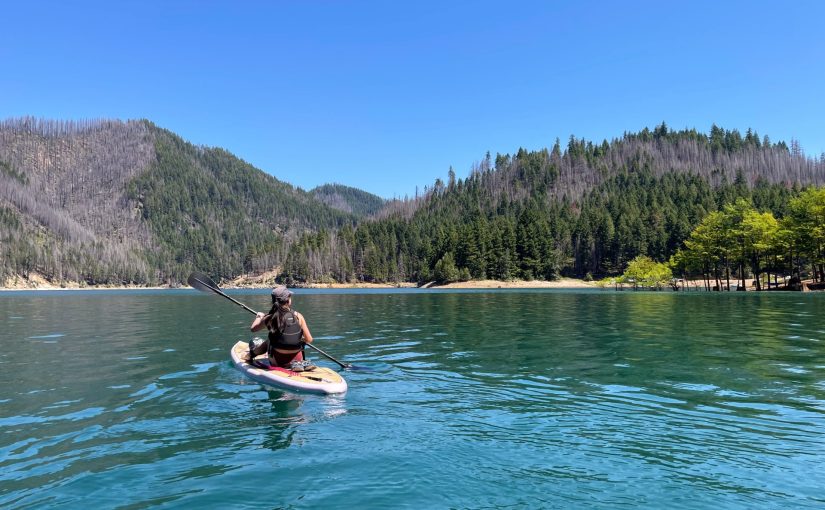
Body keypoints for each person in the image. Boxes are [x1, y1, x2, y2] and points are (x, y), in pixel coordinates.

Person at [249, 285, 315, 371]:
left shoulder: (269, 318)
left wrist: (259, 317)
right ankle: (297, 363)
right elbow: (309, 339)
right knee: (300, 340)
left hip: (277, 361)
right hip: (298, 359)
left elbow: (253, 329)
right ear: (288, 300)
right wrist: (297, 338)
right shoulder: (298, 316)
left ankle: (252, 354)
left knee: (270, 339)